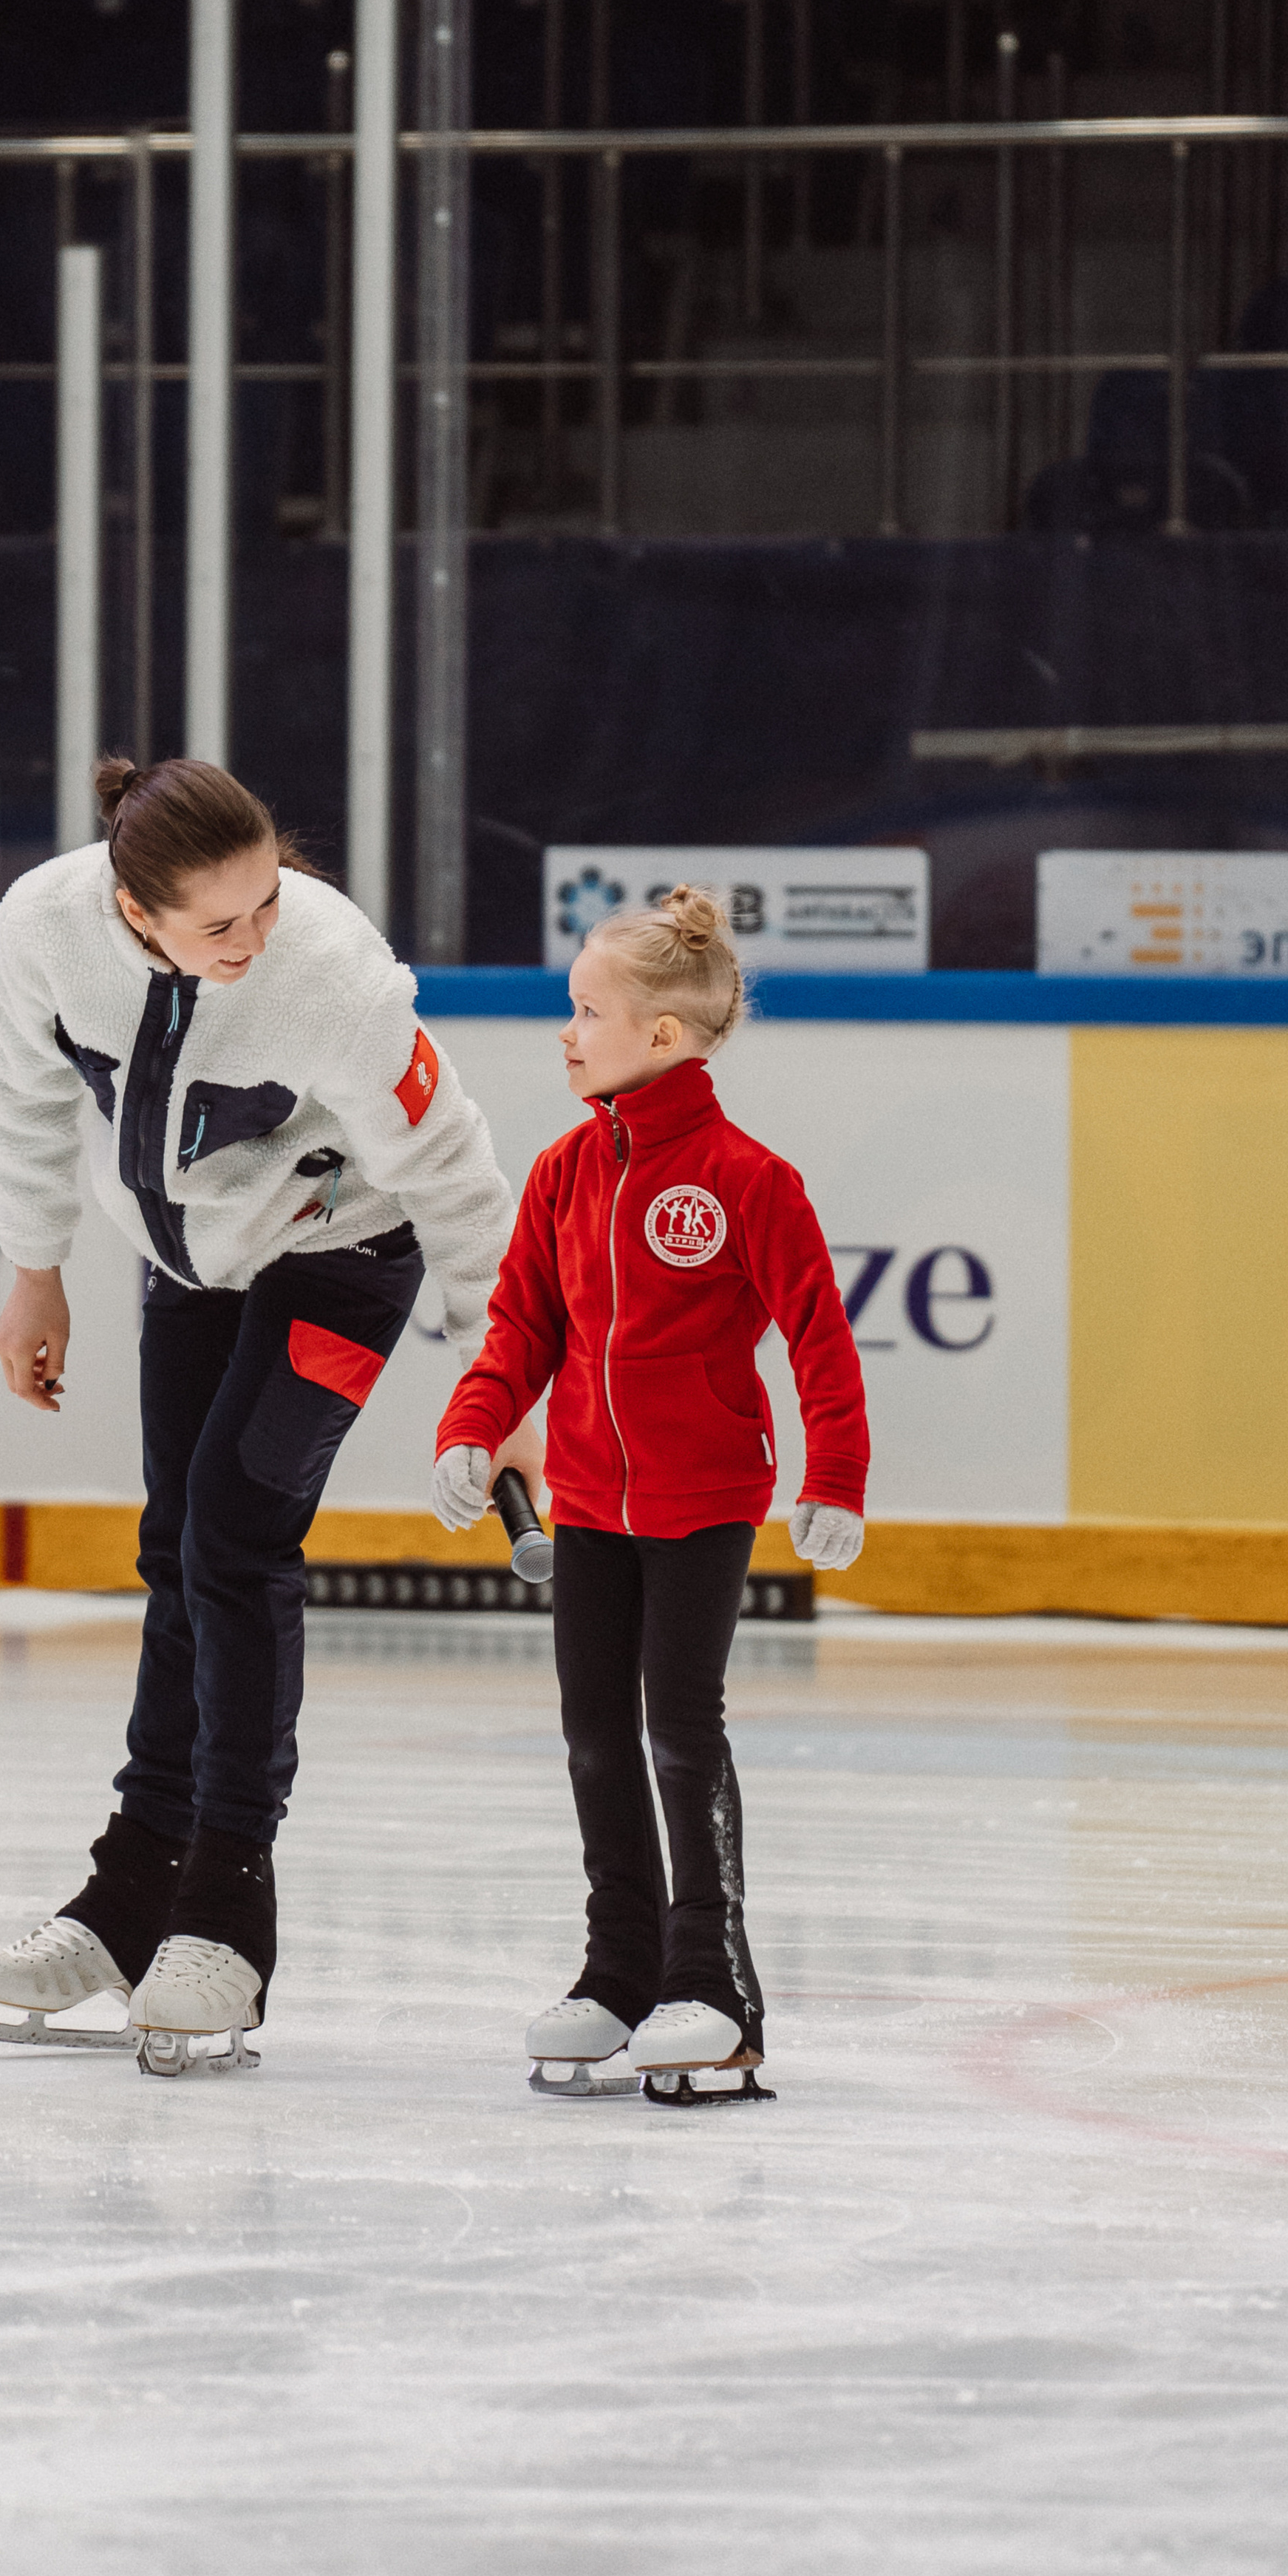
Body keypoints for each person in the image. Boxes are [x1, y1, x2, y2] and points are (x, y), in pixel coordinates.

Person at [0, 756, 514, 2076]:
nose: (259, 936)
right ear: (133, 909)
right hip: (194, 1263)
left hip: (347, 1254)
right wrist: (34, 1267)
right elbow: (25, 1101)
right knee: (176, 1554)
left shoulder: (331, 970)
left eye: (270, 899)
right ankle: (130, 1894)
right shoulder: (45, 930)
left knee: (235, 1543)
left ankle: (223, 1913)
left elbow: (450, 1165)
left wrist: (504, 1375)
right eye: (222, 923)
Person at [429, 887, 868, 2098]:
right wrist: (474, 1428)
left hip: (705, 1500)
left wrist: (834, 1473)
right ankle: (618, 1971)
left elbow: (819, 1340)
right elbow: (520, 1324)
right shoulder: (567, 1173)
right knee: (590, 1734)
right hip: (589, 1504)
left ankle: (713, 1986)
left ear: (664, 1036)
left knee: (680, 1729)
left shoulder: (748, 1180)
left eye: (586, 1012)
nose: (565, 1033)